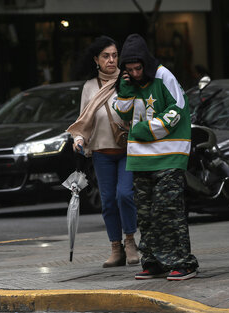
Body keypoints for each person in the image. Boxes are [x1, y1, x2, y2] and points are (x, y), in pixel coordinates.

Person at [113, 33, 198, 281]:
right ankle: (153, 261)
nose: (136, 73)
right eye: (129, 70)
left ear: (146, 63)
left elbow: (179, 109)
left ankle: (184, 262)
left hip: (169, 155)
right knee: (146, 214)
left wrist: (142, 130)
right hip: (141, 158)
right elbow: (122, 114)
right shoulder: (129, 81)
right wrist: (126, 87)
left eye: (138, 68)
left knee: (167, 211)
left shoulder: (164, 75)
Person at [67, 35, 139, 268]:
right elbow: (84, 120)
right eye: (106, 56)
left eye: (115, 55)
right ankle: (115, 248)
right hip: (101, 153)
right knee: (108, 201)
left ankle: (130, 242)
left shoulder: (127, 79)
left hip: (128, 149)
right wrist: (78, 139)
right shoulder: (89, 87)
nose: (111, 60)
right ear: (96, 59)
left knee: (125, 195)